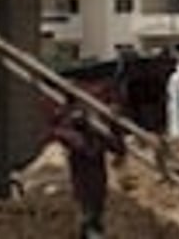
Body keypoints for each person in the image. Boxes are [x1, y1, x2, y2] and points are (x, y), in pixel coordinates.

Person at [50, 101, 126, 238]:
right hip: (82, 180)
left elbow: (118, 147)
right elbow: (61, 134)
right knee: (86, 212)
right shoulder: (73, 136)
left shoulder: (97, 136)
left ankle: (92, 228)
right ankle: (89, 229)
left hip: (97, 182)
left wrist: (115, 125)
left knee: (95, 211)